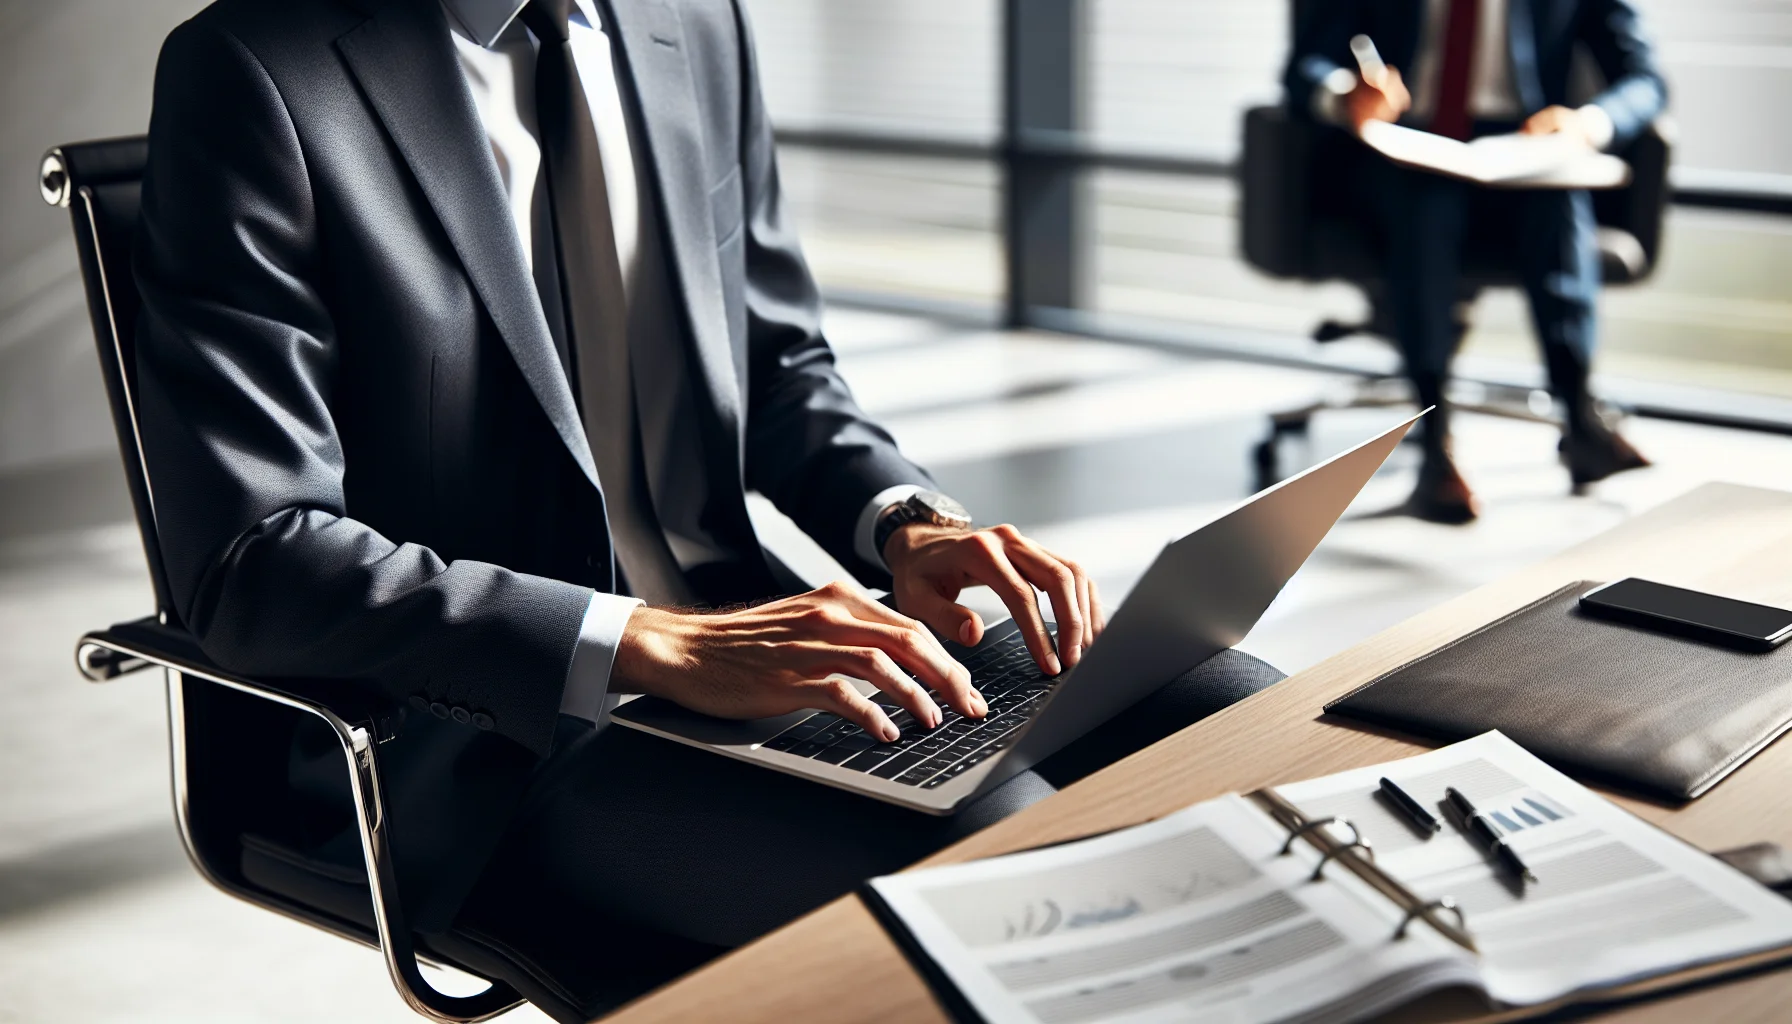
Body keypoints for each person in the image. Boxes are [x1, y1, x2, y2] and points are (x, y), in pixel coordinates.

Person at [133, 0, 1284, 1011]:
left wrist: (904, 522)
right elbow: (255, 556)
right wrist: (648, 638)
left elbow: (779, 367)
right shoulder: (253, 68)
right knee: (1024, 860)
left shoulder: (691, 19)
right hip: (512, 735)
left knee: (1251, 722)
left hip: (763, 639)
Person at [1285, 0, 1665, 523]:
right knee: (1426, 203)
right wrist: (1344, 95)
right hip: (1405, 147)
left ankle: (1581, 413)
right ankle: (1434, 439)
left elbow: (1645, 81)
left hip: (1520, 146)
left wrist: (1587, 124)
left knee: (1555, 198)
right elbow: (1304, 66)